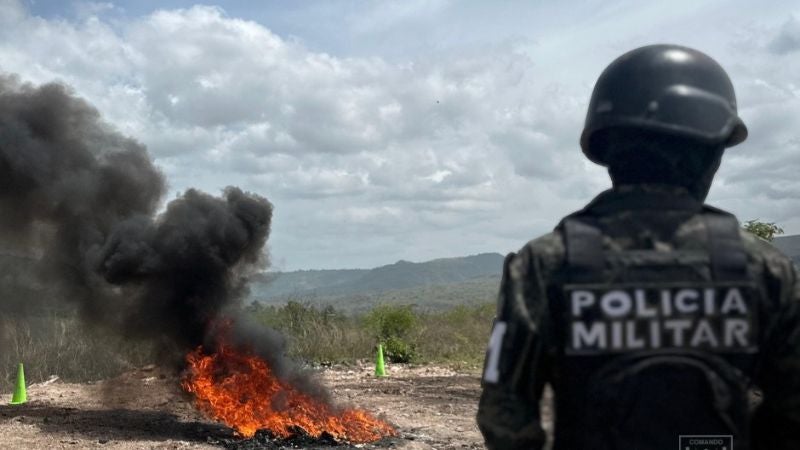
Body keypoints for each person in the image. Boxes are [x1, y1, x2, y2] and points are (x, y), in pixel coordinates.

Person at [476, 44, 800, 450]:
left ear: (607, 149)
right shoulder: (763, 268)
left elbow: (504, 413)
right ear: (712, 153)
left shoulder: (546, 264)